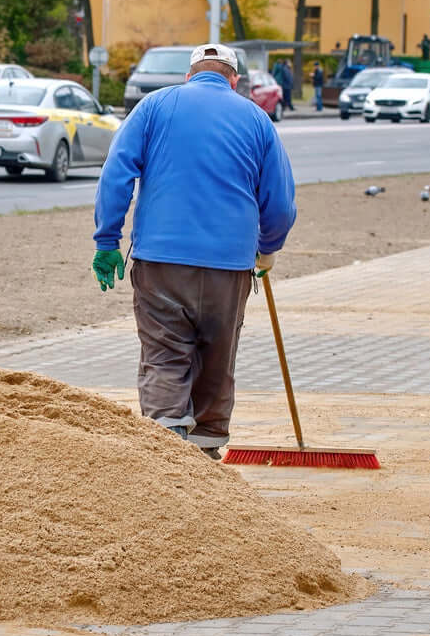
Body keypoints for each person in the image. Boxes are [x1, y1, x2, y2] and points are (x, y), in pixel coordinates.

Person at [91, 44, 297, 460]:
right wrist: (267, 249)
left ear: (189, 75)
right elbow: (280, 204)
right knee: (217, 358)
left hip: (162, 263)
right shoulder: (257, 119)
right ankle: (205, 448)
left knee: (165, 354)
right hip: (229, 267)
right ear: (233, 80)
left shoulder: (153, 107)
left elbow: (116, 172)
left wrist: (107, 240)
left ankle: (167, 447)